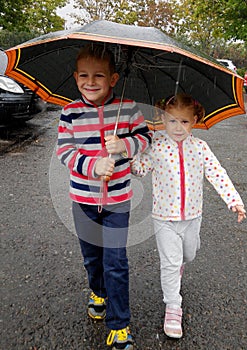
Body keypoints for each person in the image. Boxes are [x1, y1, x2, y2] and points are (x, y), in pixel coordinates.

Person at [56, 44, 151, 350]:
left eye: (99, 75)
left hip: (118, 202)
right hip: (83, 201)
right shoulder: (70, 113)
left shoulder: (128, 107)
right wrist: (93, 165)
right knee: (92, 258)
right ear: (75, 77)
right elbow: (64, 151)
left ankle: (119, 324)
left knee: (115, 261)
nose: (91, 81)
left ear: (113, 78)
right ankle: (97, 291)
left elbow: (145, 137)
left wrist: (124, 147)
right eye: (84, 75)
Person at [130, 93, 246, 339]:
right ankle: (173, 306)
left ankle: (180, 263)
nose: (178, 127)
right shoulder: (156, 144)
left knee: (188, 253)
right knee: (170, 263)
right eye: (172, 121)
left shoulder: (200, 147)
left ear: (194, 120)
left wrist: (234, 200)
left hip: (193, 216)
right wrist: (130, 153)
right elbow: (140, 170)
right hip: (164, 218)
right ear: (162, 119)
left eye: (184, 122)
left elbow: (217, 173)